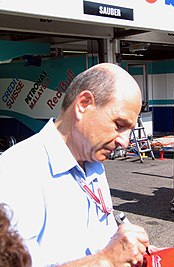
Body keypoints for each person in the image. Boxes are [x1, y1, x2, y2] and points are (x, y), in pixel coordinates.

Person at [0, 63, 149, 267]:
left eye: (129, 129)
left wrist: (129, 248)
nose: (125, 141)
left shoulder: (93, 161)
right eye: (119, 125)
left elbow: (99, 237)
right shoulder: (18, 172)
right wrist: (106, 259)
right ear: (84, 104)